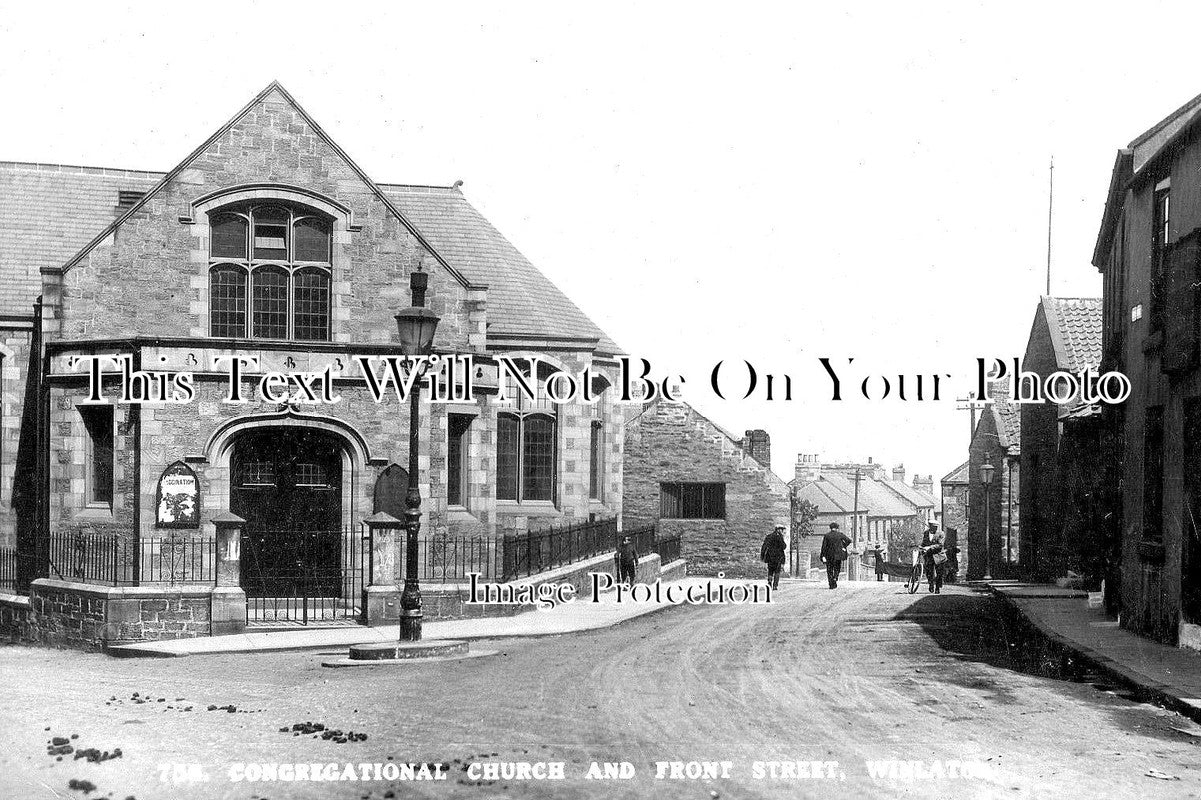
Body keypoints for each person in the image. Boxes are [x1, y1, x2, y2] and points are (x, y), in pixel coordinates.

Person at [819, 522, 852, 589]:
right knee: (837, 568)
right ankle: (835, 577)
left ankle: (831, 584)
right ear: (837, 528)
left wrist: (822, 556)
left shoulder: (827, 536)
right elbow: (849, 540)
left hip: (829, 555)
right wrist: (843, 546)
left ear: (830, 528)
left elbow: (824, 547)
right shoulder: (840, 535)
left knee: (829, 569)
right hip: (838, 555)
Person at [920, 522, 946, 593]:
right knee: (929, 572)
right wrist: (922, 547)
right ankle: (931, 584)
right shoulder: (926, 533)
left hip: (939, 555)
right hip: (929, 556)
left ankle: (937, 587)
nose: (935, 528)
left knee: (939, 573)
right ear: (930, 526)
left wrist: (929, 547)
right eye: (933, 527)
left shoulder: (941, 533)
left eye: (936, 527)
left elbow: (940, 545)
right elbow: (924, 542)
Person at [760, 524, 788, 590]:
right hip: (778, 557)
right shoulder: (780, 537)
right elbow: (784, 546)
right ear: (778, 530)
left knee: (770, 570)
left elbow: (764, 546)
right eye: (781, 530)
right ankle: (775, 585)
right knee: (777, 571)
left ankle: (769, 582)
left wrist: (762, 555)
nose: (782, 531)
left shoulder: (769, 536)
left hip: (770, 556)